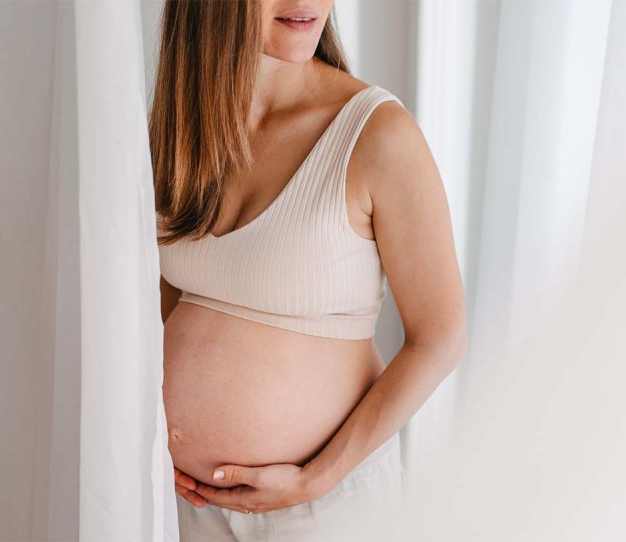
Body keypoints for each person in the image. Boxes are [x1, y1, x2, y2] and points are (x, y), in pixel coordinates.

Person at [151, 1, 467, 540]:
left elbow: (440, 337)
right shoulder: (180, 125)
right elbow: (171, 291)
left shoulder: (378, 135)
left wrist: (317, 477)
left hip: (318, 510)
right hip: (183, 503)